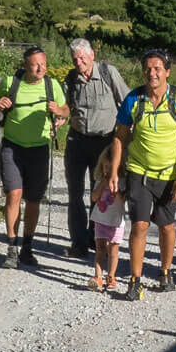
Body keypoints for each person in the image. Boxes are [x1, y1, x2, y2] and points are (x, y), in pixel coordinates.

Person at [108, 49, 176, 300]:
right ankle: (135, 280)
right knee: (139, 225)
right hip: (139, 172)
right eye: (148, 68)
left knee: (166, 226)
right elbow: (120, 137)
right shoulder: (134, 99)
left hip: (169, 174)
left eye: (158, 68)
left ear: (167, 72)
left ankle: (166, 270)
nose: (152, 73)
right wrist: (115, 171)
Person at [0, 46, 69, 269]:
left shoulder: (52, 85)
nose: (41, 68)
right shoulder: (11, 83)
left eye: (44, 64)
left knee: (34, 199)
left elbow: (66, 110)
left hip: (39, 149)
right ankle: (11, 247)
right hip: (12, 147)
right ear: (25, 65)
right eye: (36, 64)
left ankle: (27, 247)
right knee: (14, 194)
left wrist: (59, 112)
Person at [62, 38, 132, 260]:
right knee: (74, 193)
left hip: (104, 143)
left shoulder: (108, 73)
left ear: (92, 55)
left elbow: (128, 101)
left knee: (100, 192)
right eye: (75, 59)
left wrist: (126, 135)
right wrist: (58, 116)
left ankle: (96, 238)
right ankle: (78, 244)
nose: (79, 62)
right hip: (76, 141)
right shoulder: (71, 79)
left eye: (82, 57)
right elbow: (65, 106)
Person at [88, 147, 126, 292]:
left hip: (116, 222)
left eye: (112, 168)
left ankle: (111, 276)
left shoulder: (121, 181)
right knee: (100, 250)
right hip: (100, 219)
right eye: (106, 167)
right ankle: (98, 276)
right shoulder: (100, 180)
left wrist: (114, 189)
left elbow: (122, 201)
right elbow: (94, 197)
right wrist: (103, 183)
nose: (108, 171)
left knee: (113, 251)